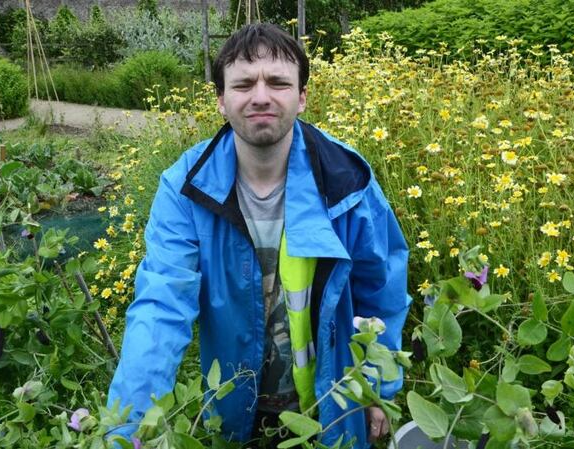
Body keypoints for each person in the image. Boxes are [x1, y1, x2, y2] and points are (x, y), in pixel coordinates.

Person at [107, 23, 411, 449]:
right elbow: (160, 306)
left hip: (333, 404)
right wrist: (128, 428)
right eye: (244, 83)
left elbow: (381, 291)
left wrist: (379, 388)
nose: (261, 96)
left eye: (279, 82)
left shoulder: (348, 183)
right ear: (221, 100)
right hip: (235, 409)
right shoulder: (186, 189)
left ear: (302, 97)